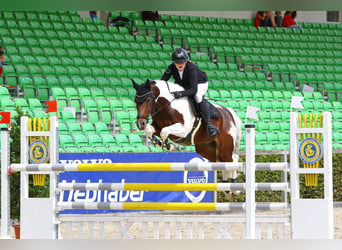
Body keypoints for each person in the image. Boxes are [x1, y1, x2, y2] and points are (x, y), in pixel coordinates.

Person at [161, 48, 220, 137]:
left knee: (197, 96)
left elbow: (193, 90)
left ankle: (209, 125)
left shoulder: (191, 68)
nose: (180, 64)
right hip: (186, 85)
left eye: (182, 62)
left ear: (186, 61)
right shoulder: (171, 68)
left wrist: (180, 93)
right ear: (173, 62)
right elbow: (162, 82)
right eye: (177, 62)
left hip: (200, 83)